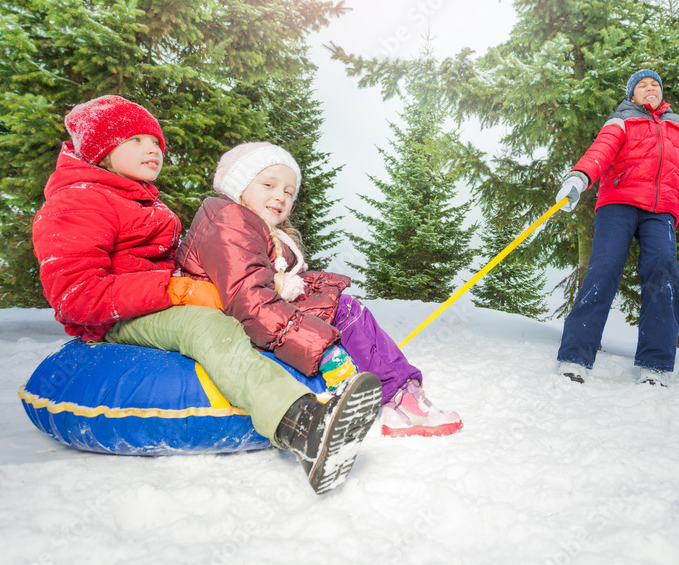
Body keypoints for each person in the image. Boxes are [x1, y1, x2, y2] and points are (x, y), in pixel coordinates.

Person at [32, 95, 382, 495]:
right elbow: (75, 294)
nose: (152, 149)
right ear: (101, 150)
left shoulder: (139, 200)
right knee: (209, 327)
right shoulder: (77, 201)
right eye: (136, 140)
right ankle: (300, 423)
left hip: (153, 306)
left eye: (156, 142)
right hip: (114, 319)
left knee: (242, 306)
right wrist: (174, 288)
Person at [175, 141, 463, 438]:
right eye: (268, 184)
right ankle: (402, 402)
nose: (280, 196)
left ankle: (397, 392)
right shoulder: (229, 221)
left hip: (250, 320)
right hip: (229, 324)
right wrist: (323, 348)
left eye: (288, 192)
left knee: (340, 305)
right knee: (345, 311)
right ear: (239, 185)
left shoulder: (262, 231)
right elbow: (249, 300)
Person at [553, 70, 679, 387]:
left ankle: (655, 365)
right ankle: (575, 357)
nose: (650, 88)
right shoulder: (623, 119)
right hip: (619, 202)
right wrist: (579, 178)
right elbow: (601, 151)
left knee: (664, 271)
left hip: (661, 211)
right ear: (633, 96)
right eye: (642, 85)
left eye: (655, 84)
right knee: (604, 268)